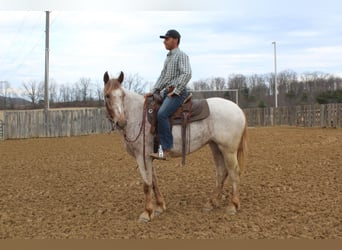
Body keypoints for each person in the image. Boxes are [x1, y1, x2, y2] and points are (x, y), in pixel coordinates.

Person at [148, 29, 192, 160]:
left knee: (162, 114)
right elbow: (163, 77)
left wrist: (176, 90)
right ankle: (155, 146)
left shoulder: (181, 55)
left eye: (166, 39)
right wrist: (153, 91)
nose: (164, 42)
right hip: (167, 91)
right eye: (164, 39)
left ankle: (167, 149)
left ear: (175, 40)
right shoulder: (168, 58)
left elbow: (187, 73)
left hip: (178, 92)